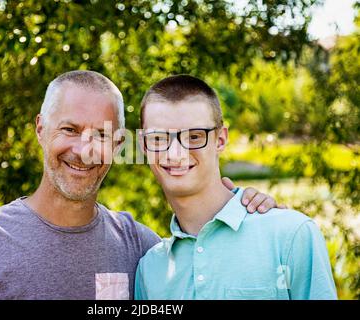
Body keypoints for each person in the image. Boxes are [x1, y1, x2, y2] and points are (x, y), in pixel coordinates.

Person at [0, 71, 282, 300]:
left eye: (101, 135)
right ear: (40, 129)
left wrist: (248, 210)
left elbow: (212, 260)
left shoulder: (140, 248)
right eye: (69, 130)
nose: (84, 151)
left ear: (118, 145)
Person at [134, 75, 337, 300]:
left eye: (194, 136)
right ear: (144, 145)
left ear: (220, 140)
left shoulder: (290, 235)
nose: (176, 153)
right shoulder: (150, 269)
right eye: (159, 139)